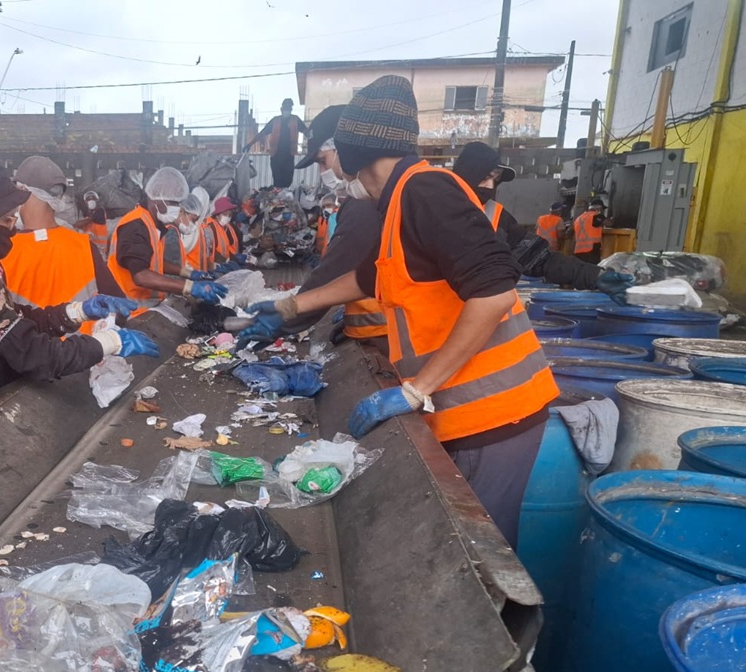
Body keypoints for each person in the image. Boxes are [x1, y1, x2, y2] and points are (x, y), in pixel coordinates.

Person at [240, 76, 559, 546]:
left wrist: (416, 390)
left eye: (331, 157)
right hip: (473, 411)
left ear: (354, 151)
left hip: (490, 416)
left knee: (477, 553)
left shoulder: (425, 191)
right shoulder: (401, 199)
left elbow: (494, 293)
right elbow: (369, 277)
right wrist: (290, 306)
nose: (332, 170)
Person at [0, 156, 158, 426]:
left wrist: (77, 312)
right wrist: (109, 343)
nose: (13, 228)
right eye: (7, 220)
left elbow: (18, 321)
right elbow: (34, 355)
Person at [237, 103, 387, 354]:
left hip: (392, 341)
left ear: (346, 149)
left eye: (322, 161)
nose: (323, 172)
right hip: (380, 334)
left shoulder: (366, 206)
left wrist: (287, 316)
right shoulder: (377, 202)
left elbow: (336, 270)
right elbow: (366, 279)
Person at [452, 142, 633, 299]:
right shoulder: (437, 209)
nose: (490, 186)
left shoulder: (495, 216)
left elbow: (539, 258)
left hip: (475, 320)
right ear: (466, 175)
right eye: (485, 178)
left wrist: (595, 276)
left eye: (496, 179)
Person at [1, 156, 128, 335]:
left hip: (27, 350)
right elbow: (118, 307)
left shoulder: (2, 250)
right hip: (82, 349)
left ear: (22, 191)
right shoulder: (84, 246)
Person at [106, 167, 228, 308]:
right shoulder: (135, 226)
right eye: (173, 203)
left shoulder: (154, 225)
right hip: (129, 307)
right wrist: (189, 287)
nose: (177, 208)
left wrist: (187, 273)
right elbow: (141, 275)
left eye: (178, 203)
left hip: (146, 305)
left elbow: (153, 261)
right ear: (156, 199)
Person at [245, 99, 308, 189]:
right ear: (281, 109)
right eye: (286, 108)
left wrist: (315, 138)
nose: (287, 110)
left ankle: (283, 194)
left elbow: (306, 132)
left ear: (291, 109)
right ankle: (278, 194)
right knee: (277, 180)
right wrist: (250, 144)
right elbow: (262, 133)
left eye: (289, 108)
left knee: (287, 180)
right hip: (276, 155)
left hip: (289, 156)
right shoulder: (275, 121)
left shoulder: (295, 120)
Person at [572, 198, 606, 263]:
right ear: (599, 208)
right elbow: (609, 223)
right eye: (602, 209)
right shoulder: (596, 216)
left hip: (578, 251)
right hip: (590, 251)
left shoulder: (579, 218)